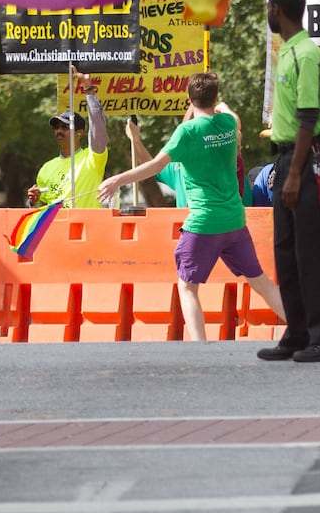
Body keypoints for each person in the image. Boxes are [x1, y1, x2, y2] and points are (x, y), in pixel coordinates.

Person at [97, 72, 286, 341]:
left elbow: (156, 166)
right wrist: (222, 106)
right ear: (216, 98)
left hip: (204, 223)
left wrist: (118, 179)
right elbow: (230, 114)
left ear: (188, 99)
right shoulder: (228, 124)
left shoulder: (187, 132)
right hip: (234, 221)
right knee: (262, 282)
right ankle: (301, 329)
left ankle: (199, 347)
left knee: (187, 288)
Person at [257, 0, 320, 364]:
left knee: (312, 255)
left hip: (308, 163)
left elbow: (309, 116)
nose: (267, 14)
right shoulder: (287, 51)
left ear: (277, 9)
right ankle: (298, 332)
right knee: (286, 253)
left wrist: (295, 175)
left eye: (268, 9)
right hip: (287, 159)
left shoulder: (306, 53)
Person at [28, 65, 109, 208]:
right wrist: (32, 202)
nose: (59, 130)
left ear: (80, 132)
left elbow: (98, 128)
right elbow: (41, 211)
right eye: (56, 127)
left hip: (86, 228)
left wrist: (88, 89)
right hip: (57, 229)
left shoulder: (92, 159)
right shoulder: (46, 168)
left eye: (65, 127)